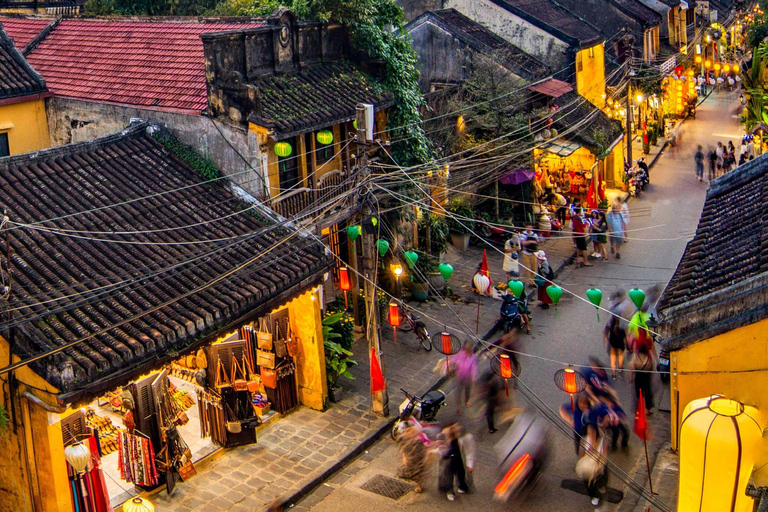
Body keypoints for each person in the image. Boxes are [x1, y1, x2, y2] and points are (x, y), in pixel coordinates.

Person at [437, 423, 473, 500]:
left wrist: (470, 464)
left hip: (458, 458)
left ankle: (462, 486)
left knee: (461, 473)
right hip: (449, 460)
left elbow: (469, 451)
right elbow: (441, 448)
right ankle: (450, 491)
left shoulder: (465, 438)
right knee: (449, 476)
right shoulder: (445, 435)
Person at [397, 424, 427, 492]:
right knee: (411, 471)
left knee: (418, 471)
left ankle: (419, 484)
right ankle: (416, 480)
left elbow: (425, 445)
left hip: (419, 455)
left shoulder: (420, 437)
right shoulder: (405, 438)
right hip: (410, 456)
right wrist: (404, 457)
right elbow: (404, 449)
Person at [449, 342, 478, 409]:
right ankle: (459, 405)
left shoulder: (473, 357)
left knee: (467, 390)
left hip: (467, 377)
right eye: (466, 348)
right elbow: (453, 359)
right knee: (458, 391)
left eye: (468, 349)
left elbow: (474, 368)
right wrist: (449, 363)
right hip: (459, 375)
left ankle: (466, 401)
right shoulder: (460, 354)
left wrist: (473, 378)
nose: (467, 350)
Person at [629, 343, 655, 416]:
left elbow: (632, 366)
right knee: (647, 392)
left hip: (638, 376)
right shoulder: (648, 358)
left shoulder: (636, 357)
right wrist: (652, 378)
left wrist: (631, 376)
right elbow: (651, 367)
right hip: (646, 376)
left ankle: (639, 408)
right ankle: (647, 409)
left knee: (638, 392)